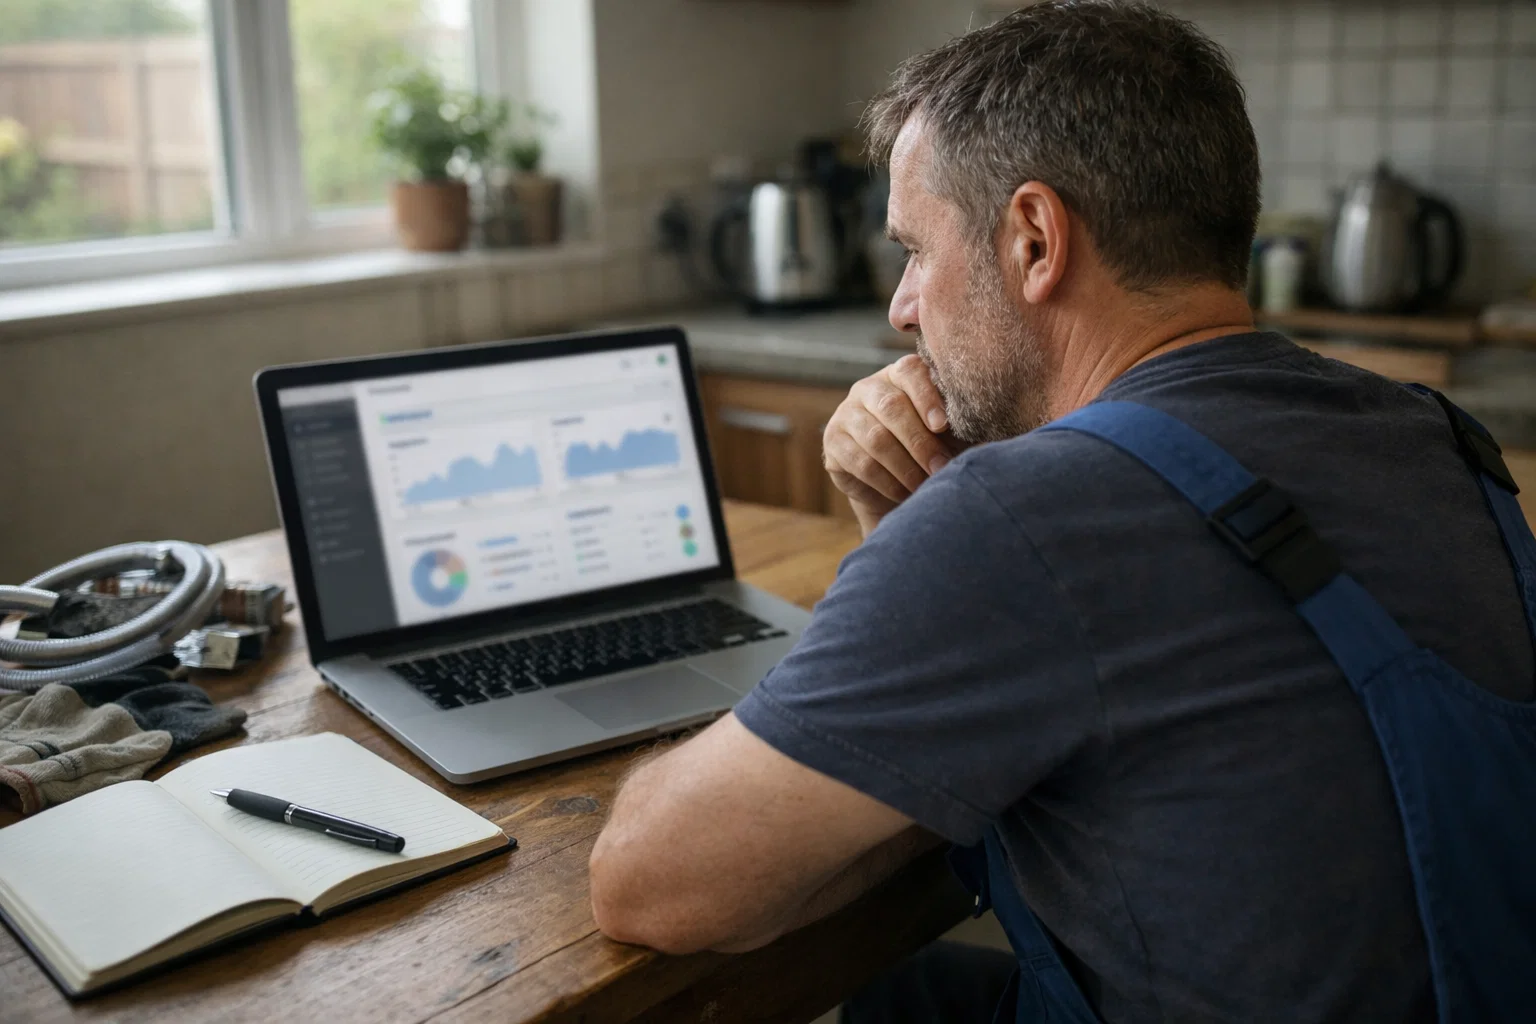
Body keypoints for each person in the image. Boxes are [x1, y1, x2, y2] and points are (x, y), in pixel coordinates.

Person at [588, 3, 1536, 1022]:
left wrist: (945, 532)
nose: (903, 306)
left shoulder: (1022, 519)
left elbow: (649, 882)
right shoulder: (1432, 434)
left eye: (914, 248)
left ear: (1036, 239)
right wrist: (907, 530)